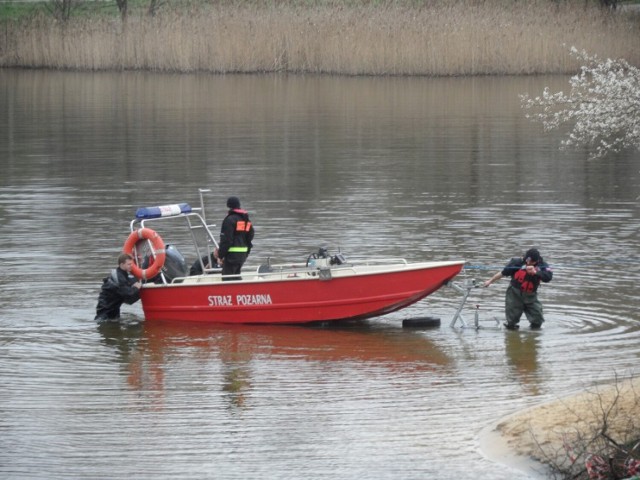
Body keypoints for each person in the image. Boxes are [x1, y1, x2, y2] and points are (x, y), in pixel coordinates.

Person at [483, 248, 553, 330]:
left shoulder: (543, 265)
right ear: (526, 258)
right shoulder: (517, 262)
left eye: (532, 262)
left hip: (531, 295)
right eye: (528, 260)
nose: (529, 263)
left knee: (537, 319)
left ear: (537, 260)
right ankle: (512, 334)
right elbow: (502, 273)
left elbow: (548, 277)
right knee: (511, 321)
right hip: (514, 294)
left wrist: (536, 272)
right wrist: (490, 281)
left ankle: (533, 334)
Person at [95, 253, 142, 321]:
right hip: (105, 312)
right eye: (129, 264)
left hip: (114, 309)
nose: (131, 266)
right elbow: (128, 294)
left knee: (115, 325)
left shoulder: (124, 274)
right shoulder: (119, 277)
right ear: (122, 265)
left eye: (132, 264)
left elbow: (132, 281)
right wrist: (136, 288)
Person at [216, 196, 254, 279]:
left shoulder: (229, 220)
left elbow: (226, 241)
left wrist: (220, 256)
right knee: (236, 276)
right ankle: (240, 291)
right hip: (242, 255)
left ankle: (230, 292)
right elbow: (250, 237)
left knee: (228, 279)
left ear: (228, 206)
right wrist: (246, 253)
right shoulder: (246, 220)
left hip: (231, 255)